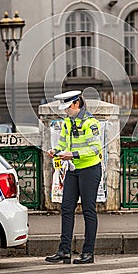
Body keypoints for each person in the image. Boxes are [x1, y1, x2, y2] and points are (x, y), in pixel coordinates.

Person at [45, 90, 102, 265]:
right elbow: (63, 142)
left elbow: (96, 148)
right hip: (72, 169)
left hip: (89, 170)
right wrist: (56, 151)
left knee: (88, 210)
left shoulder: (91, 123)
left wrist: (73, 154)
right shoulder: (68, 122)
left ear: (76, 104)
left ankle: (88, 253)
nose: (65, 111)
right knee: (67, 208)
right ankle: (64, 251)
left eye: (67, 107)